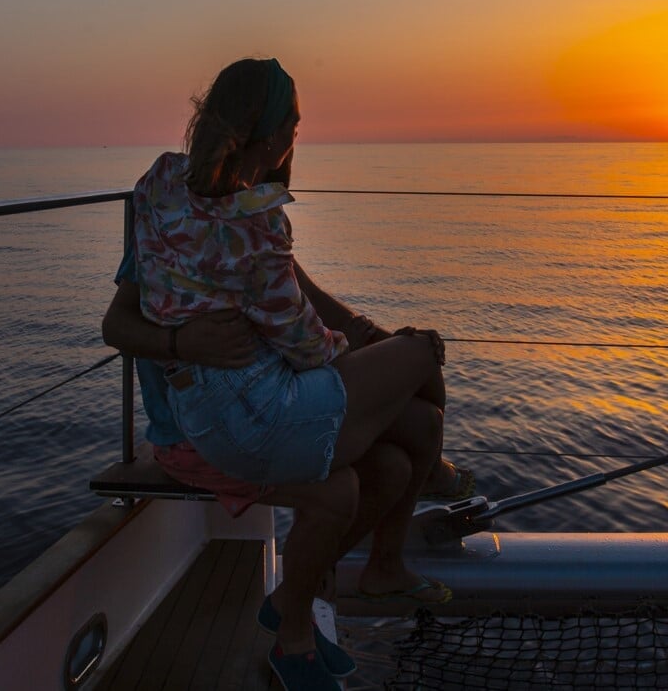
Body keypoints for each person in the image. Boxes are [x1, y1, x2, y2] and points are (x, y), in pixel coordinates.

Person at [102, 57, 464, 690]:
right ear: (267, 136)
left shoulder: (161, 185)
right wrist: (185, 341)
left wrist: (360, 335)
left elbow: (282, 287)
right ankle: (299, 620)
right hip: (220, 426)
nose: (299, 135)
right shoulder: (253, 223)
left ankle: (373, 565)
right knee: (419, 356)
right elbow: (301, 343)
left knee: (400, 451)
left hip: (236, 402)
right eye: (294, 124)